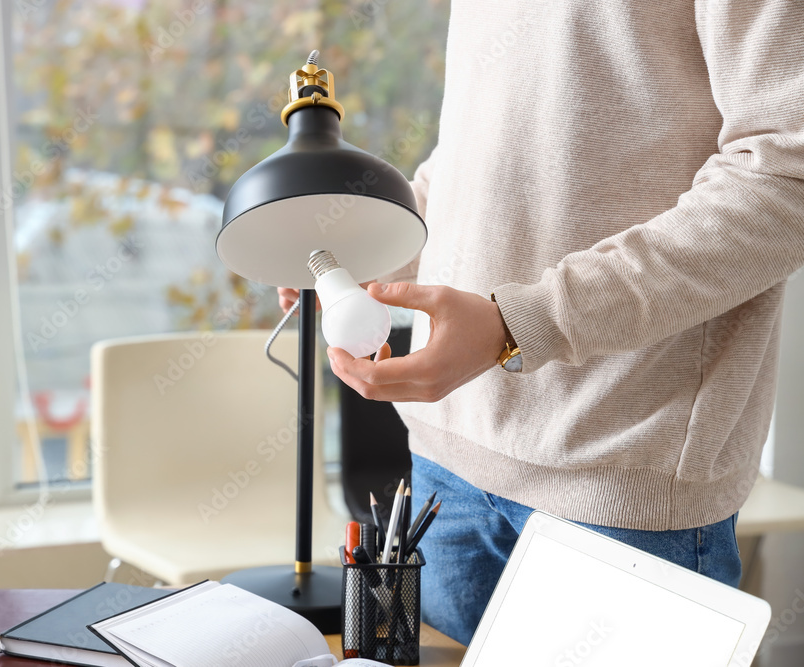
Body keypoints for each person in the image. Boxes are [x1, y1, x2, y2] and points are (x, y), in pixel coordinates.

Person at [278, 0, 804, 645]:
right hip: (448, 453)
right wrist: (373, 256)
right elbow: (472, 152)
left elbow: (786, 175)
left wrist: (518, 324)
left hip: (619, 471)